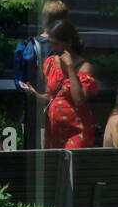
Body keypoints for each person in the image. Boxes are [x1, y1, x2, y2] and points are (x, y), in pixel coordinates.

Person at [19, 18, 98, 150]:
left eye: (56, 44)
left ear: (69, 43)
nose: (53, 48)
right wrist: (34, 93)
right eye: (51, 43)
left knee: (72, 167)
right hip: (54, 130)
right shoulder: (50, 63)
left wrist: (70, 68)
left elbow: (79, 100)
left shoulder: (84, 67)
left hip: (77, 130)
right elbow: (50, 97)